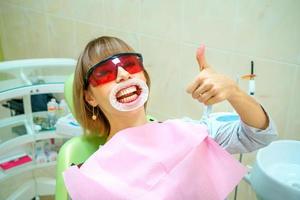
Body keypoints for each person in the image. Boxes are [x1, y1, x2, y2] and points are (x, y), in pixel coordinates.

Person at [65, 36, 277, 199]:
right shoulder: (92, 178)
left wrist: (234, 92)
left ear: (143, 76)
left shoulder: (187, 134)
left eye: (130, 64)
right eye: (104, 73)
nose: (123, 74)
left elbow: (259, 135)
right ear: (90, 97)